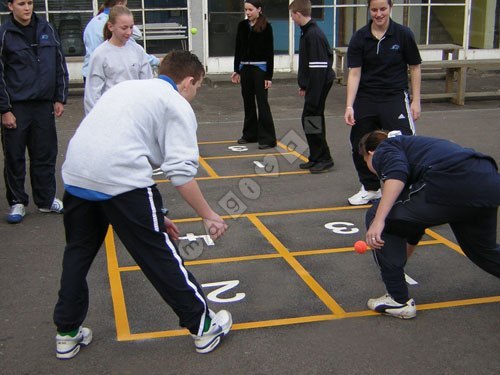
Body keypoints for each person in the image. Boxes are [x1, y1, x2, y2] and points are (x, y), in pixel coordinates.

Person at [53, 51, 232, 359]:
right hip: (121, 178)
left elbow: (119, 139)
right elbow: (181, 173)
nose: (195, 93)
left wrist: (157, 215)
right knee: (158, 254)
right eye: (198, 85)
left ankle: (67, 334)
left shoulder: (127, 88)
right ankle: (203, 326)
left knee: (78, 252)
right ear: (189, 81)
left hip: (78, 173)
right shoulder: (176, 103)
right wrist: (209, 215)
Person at [359, 130, 500, 319]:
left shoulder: (385, 148)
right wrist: (403, 260)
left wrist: (378, 221)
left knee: (378, 213)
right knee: (483, 250)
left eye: (365, 162)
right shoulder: (417, 151)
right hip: (487, 180)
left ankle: (397, 299)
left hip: (453, 181)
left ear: (370, 152)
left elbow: (396, 173)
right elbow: (414, 222)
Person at [344, 0, 422, 205]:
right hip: (366, 97)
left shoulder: (403, 34)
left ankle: (410, 188)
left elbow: (415, 67)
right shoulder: (360, 37)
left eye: (382, 9)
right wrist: (349, 105)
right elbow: (354, 73)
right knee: (359, 144)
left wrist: (416, 100)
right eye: (374, 10)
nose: (378, 14)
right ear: (369, 10)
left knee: (405, 142)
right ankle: (371, 188)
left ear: (390, 8)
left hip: (394, 96)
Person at [0, 0, 68, 224]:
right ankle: (17, 201)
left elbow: (59, 63)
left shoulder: (46, 28)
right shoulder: (5, 34)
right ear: (10, 6)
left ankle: (46, 199)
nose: (27, 8)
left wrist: (60, 96)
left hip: (43, 105)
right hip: (17, 106)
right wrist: (4, 109)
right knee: (15, 156)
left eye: (30, 2)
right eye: (21, 3)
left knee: (45, 154)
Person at [289, 0, 335, 174]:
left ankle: (324, 158)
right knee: (312, 119)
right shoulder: (307, 32)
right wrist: (304, 85)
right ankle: (317, 156)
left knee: (311, 118)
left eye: (292, 15)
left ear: (298, 14)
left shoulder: (313, 34)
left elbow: (318, 68)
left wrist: (313, 93)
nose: (292, 19)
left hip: (320, 83)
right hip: (315, 83)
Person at [84, 5, 153, 114]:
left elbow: (147, 83)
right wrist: (97, 119)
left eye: (131, 27)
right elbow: (92, 95)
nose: (129, 32)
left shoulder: (138, 51)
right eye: (124, 28)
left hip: (135, 112)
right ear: (111, 27)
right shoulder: (100, 54)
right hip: (111, 113)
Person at [231, 0, 277, 150]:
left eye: (250, 10)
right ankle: (250, 134)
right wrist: (237, 70)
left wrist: (268, 76)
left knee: (262, 103)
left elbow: (270, 53)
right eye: (246, 10)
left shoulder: (266, 27)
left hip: (260, 70)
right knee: (248, 102)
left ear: (259, 10)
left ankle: (268, 139)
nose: (248, 13)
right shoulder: (242, 26)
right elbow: (238, 49)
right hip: (245, 69)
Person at [81, 0, 159, 83]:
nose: (129, 32)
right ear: (120, 4)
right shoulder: (104, 49)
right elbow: (137, 37)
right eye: (125, 5)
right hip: (105, 75)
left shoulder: (92, 22)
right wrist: (156, 61)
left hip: (88, 73)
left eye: (131, 27)